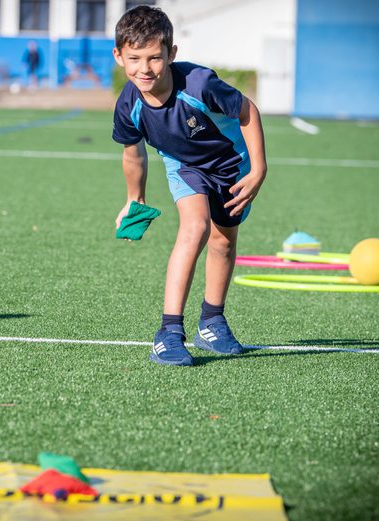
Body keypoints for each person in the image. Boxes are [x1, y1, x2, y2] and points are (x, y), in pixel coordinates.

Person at [111, 6, 267, 366]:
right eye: (134, 58)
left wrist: (258, 169)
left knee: (224, 242)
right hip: (184, 165)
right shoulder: (128, 104)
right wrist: (135, 198)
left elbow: (247, 112)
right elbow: (133, 155)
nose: (144, 68)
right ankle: (168, 332)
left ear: (172, 54)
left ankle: (212, 321)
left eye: (154, 58)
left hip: (231, 165)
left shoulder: (199, 84)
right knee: (195, 226)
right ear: (119, 56)